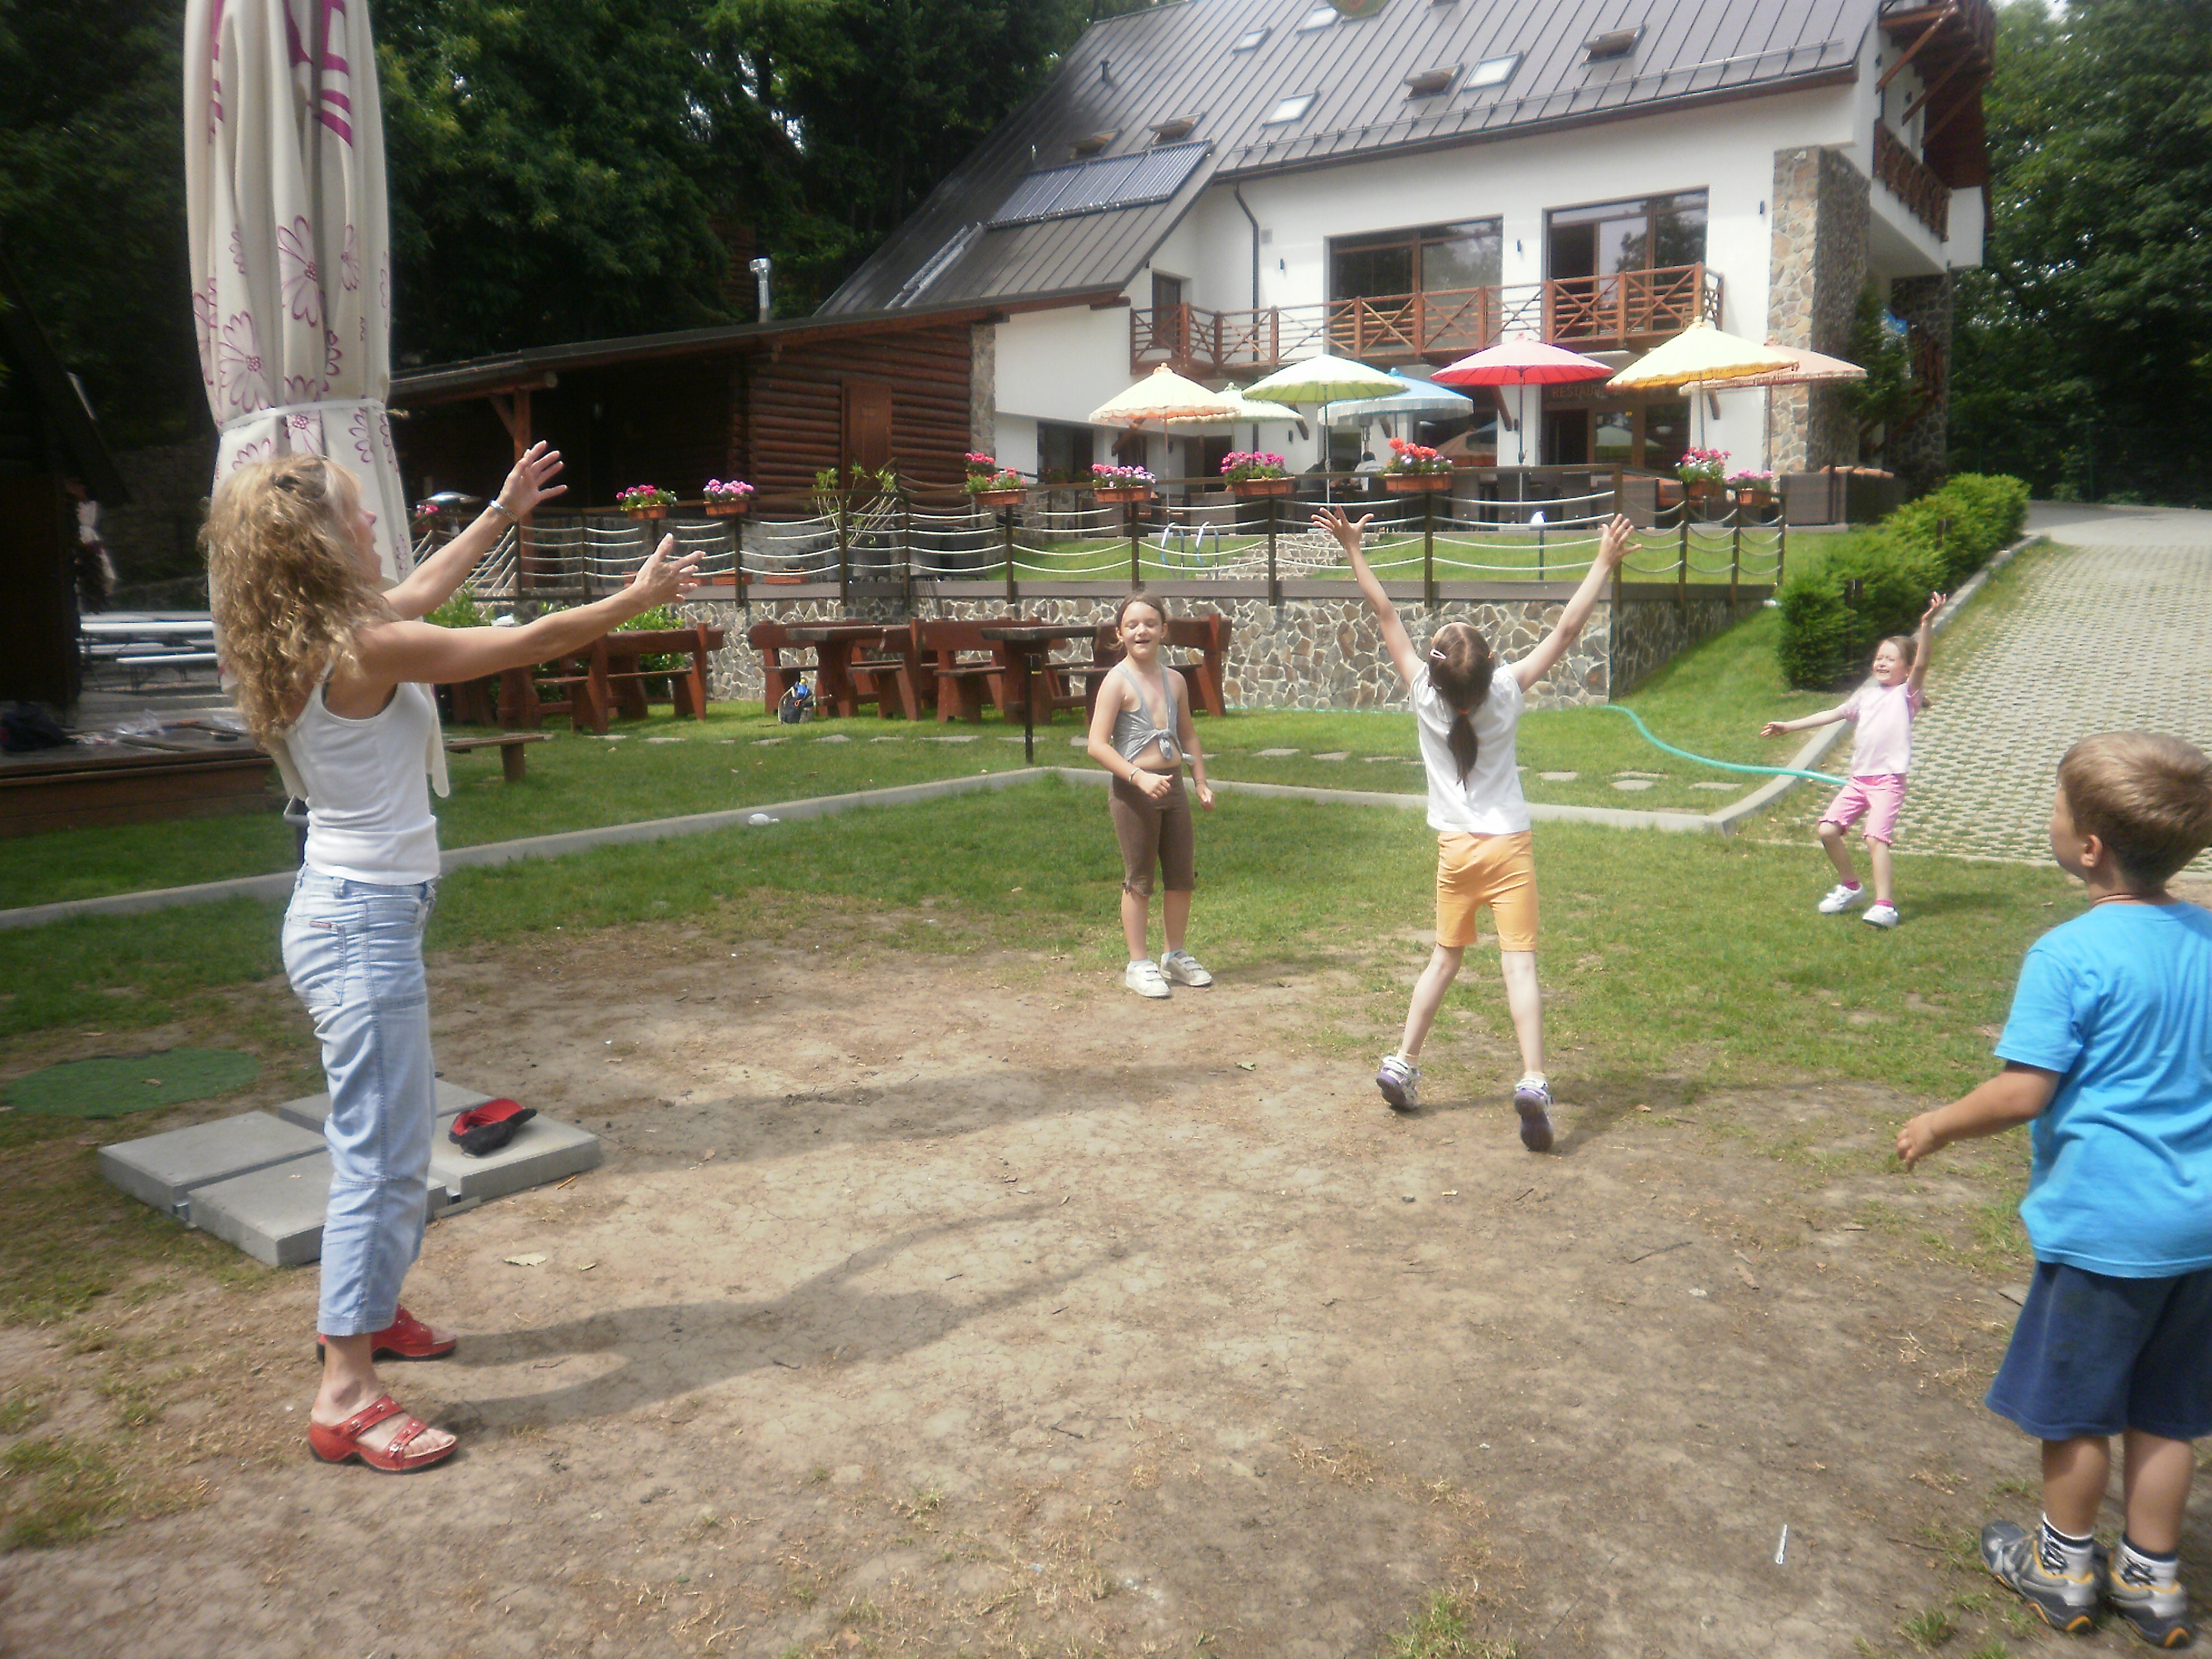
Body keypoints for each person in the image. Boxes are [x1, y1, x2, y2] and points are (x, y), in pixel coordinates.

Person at [204, 445, 701, 1472]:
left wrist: (501, 514)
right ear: (316, 541)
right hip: (359, 928)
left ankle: (373, 1312)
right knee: (382, 1160)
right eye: (357, 515)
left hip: (350, 915)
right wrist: (634, 600)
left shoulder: (319, 632)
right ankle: (346, 1393)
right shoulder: (361, 647)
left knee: (384, 1145)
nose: (373, 528)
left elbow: (422, 589)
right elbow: (526, 642)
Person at [1896, 733, 2212, 1646]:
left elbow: (2021, 1093)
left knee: (2077, 1412)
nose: (2052, 818)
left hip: (2106, 1233)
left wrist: (1939, 1122)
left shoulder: (2067, 953)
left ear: (2089, 847)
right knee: (2165, 1414)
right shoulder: (2206, 938)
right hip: (2197, 1229)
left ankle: (2062, 1567)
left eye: (2057, 808)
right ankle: (2153, 1582)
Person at [1318, 505, 1632, 1149]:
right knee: (1519, 966)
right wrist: (1603, 561)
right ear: (1491, 666)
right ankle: (1533, 1080)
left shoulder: (1422, 693)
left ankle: (1402, 1062)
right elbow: (1567, 629)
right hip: (1507, 848)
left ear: (1436, 673)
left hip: (1455, 851)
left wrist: (1354, 549)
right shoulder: (1508, 689)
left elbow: (1385, 614)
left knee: (1444, 958)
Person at [1759, 593, 1946, 928]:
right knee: (1827, 830)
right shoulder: (1866, 696)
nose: (1882, 663)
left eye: (1891, 659)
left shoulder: (1907, 695)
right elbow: (1832, 714)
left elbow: (1923, 663)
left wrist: (1927, 624)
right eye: (1879, 657)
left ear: (1906, 669)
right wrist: (1789, 726)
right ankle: (1851, 887)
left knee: (1875, 838)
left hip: (1888, 781)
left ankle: (1885, 907)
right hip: (1859, 780)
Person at [1084, 590, 1215, 998]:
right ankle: (1138, 963)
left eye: (1150, 623)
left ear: (1164, 630)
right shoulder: (1116, 682)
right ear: (1119, 634)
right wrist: (1138, 777)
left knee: (1181, 876)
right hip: (1134, 792)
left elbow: (1187, 734)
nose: (1141, 631)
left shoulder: (1175, 681)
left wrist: (1200, 780)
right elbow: (1096, 745)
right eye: (1132, 625)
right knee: (1139, 879)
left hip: (1173, 787)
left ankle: (1174, 954)